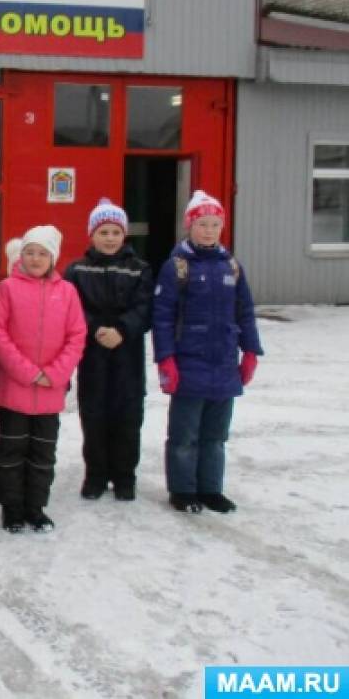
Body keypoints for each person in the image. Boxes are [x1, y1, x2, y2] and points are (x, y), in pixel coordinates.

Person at [153, 190, 263, 515]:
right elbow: (162, 317)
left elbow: (245, 311)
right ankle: (183, 490)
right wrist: (166, 359)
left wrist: (251, 351)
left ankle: (211, 489)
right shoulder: (176, 268)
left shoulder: (232, 267)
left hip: (224, 363)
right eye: (203, 224)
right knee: (184, 435)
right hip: (189, 364)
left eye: (215, 224)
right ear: (190, 225)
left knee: (215, 436)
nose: (209, 230)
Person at [0, 226, 86, 534]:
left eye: (42, 253)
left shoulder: (67, 292)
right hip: (14, 387)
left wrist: (55, 373)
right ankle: (12, 508)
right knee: (11, 451)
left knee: (43, 452)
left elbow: (77, 335)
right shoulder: (8, 289)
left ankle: (35, 507)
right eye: (29, 252)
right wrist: (28, 372)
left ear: (53, 258)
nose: (35, 258)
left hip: (50, 391)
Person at [63, 199, 153, 502]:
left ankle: (125, 477)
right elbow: (70, 307)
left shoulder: (139, 269)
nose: (110, 238)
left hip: (128, 355)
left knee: (127, 417)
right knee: (94, 415)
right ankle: (96, 475)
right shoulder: (77, 269)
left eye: (116, 231)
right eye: (104, 231)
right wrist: (95, 329)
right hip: (92, 354)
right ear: (92, 234)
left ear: (124, 234)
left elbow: (145, 308)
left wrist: (123, 330)